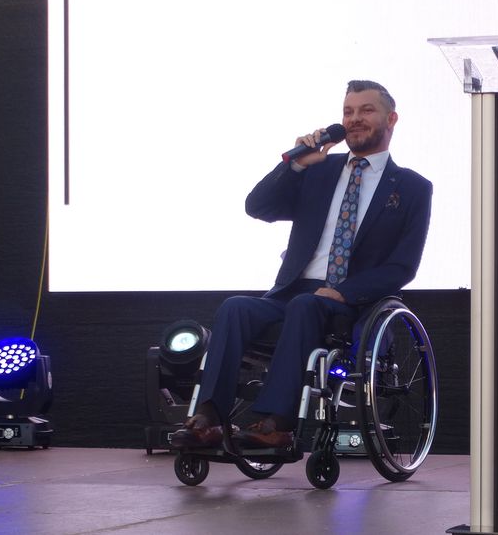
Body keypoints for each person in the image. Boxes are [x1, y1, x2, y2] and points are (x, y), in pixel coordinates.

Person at [171, 80, 432, 450]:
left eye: (366, 110)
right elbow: (257, 207)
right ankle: (209, 418)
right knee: (236, 308)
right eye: (348, 112)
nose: (354, 119)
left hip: (351, 302)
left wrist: (343, 292)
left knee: (305, 306)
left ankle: (275, 423)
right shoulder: (320, 170)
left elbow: (403, 267)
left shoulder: (412, 187)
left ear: (391, 119)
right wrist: (295, 165)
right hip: (294, 292)